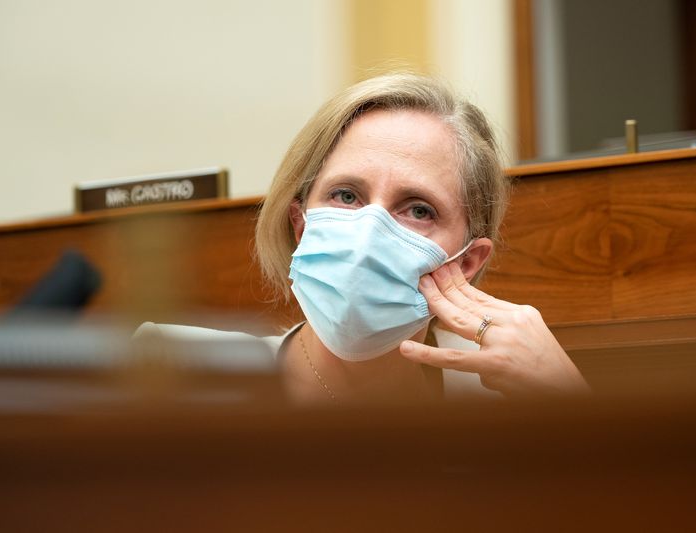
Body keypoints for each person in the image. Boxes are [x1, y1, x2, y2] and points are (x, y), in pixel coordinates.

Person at [249, 72, 589, 404]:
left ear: (466, 262)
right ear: (302, 225)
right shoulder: (208, 379)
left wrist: (569, 399)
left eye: (419, 210)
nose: (368, 236)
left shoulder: (510, 395)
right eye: (346, 196)